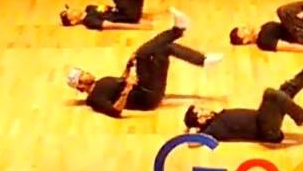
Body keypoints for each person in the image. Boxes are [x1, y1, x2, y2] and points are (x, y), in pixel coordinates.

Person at [66, 9, 224, 118]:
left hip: (145, 87)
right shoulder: (94, 99)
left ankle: (204, 61)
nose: (87, 73)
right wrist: (127, 90)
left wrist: (128, 67)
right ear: (80, 85)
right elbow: (115, 111)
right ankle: (177, 30)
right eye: (83, 75)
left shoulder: (100, 82)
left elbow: (120, 82)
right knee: (142, 54)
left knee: (165, 49)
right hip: (147, 97)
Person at [183, 38, 303, 143]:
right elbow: (192, 143)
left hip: (264, 119)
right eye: (199, 111)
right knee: (270, 93)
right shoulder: (213, 129)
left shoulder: (217, 117)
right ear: (200, 120)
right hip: (267, 131)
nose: (203, 108)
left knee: (287, 88)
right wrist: (194, 130)